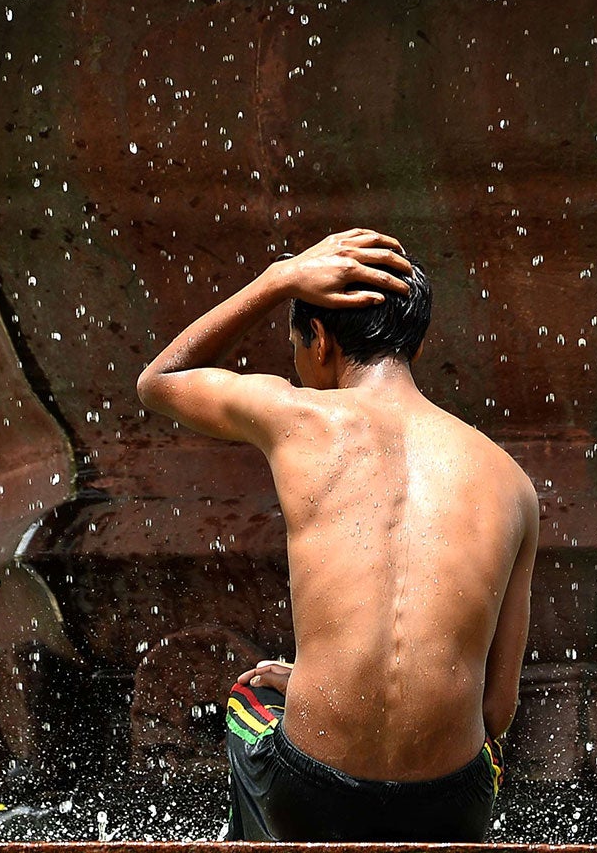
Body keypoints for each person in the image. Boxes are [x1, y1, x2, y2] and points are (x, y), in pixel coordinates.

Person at [136, 228, 539, 842]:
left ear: (319, 341)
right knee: (480, 755)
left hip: (312, 793)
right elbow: (497, 710)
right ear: (415, 347)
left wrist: (280, 278)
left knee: (250, 703)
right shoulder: (512, 484)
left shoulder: (298, 417)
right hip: (448, 806)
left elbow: (158, 382)